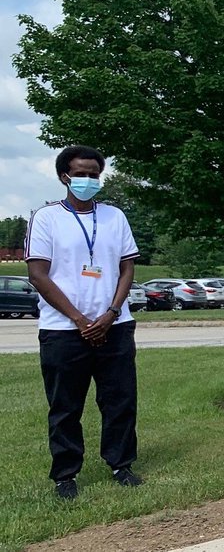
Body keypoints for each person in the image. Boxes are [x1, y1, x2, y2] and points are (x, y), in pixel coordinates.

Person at [26, 146, 142, 499]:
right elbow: (38, 274)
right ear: (64, 176)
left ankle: (121, 464)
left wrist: (111, 313)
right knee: (65, 405)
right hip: (63, 330)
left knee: (120, 400)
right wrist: (79, 319)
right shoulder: (46, 218)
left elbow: (127, 268)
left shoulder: (114, 217)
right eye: (81, 174)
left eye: (94, 174)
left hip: (115, 326)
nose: (88, 180)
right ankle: (65, 474)